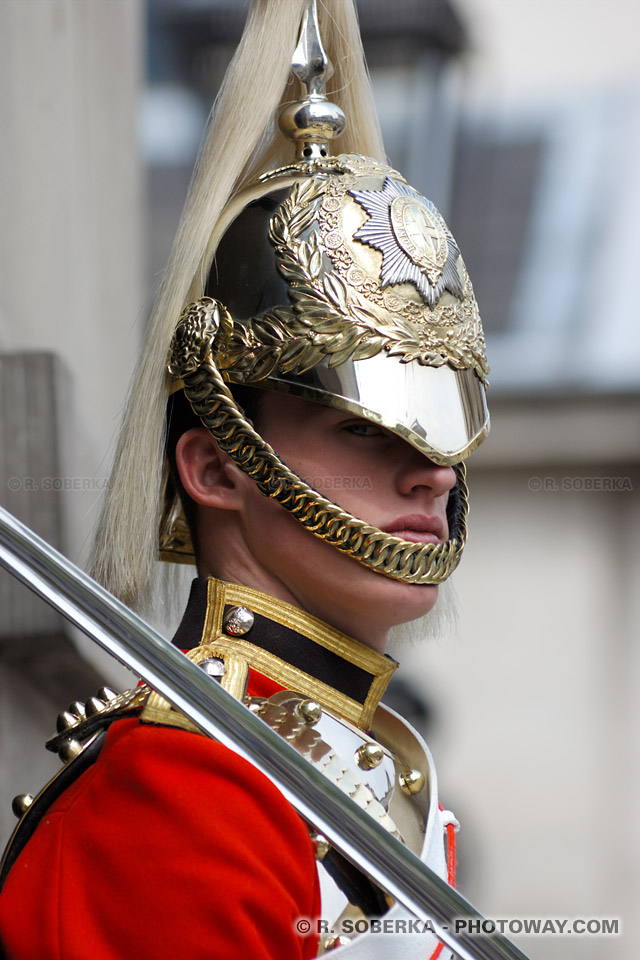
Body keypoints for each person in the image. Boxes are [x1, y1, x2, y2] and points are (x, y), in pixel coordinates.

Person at [0, 1, 489, 957]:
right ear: (218, 468)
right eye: (364, 427)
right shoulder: (184, 796)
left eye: (437, 433)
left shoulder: (371, 764)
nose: (431, 473)